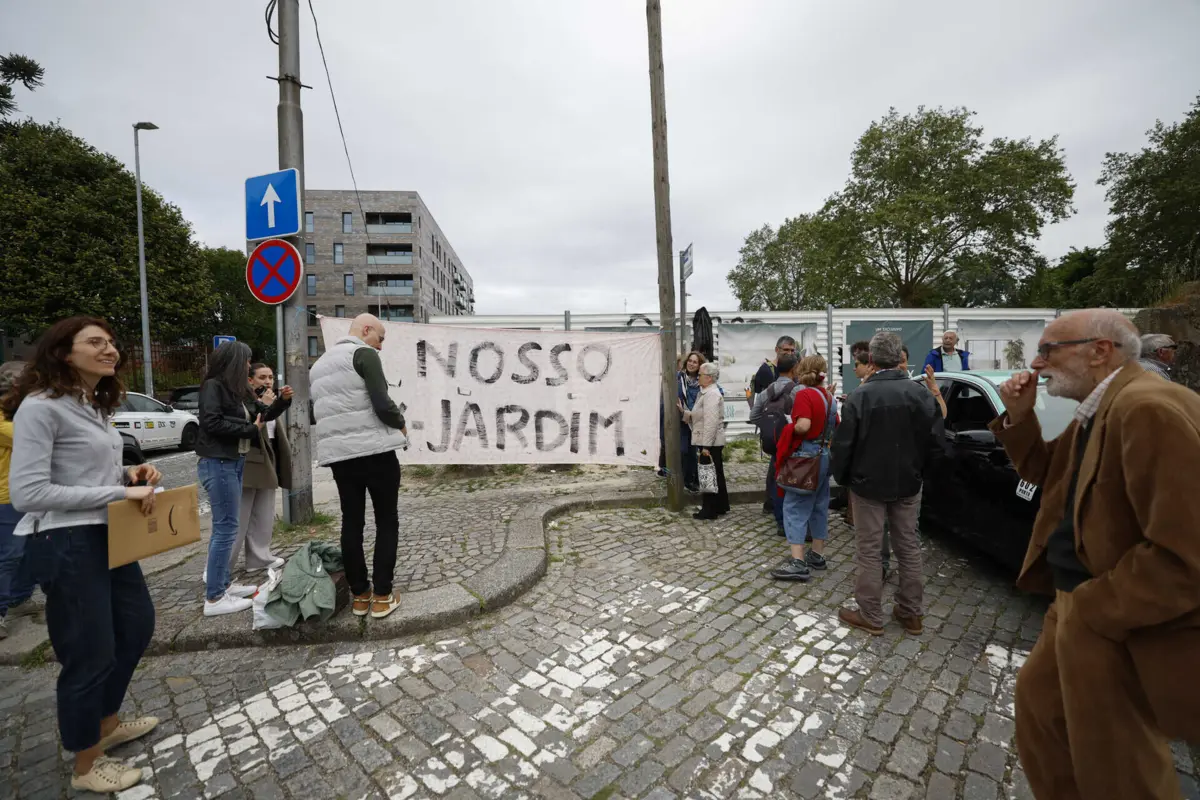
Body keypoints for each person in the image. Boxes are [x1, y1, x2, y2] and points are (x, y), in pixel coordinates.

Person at [991, 309, 1200, 800]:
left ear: (1099, 351)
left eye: (1049, 350)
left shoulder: (1146, 408)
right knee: (1042, 715)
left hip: (1110, 614)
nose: (1038, 364)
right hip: (1074, 604)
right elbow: (1046, 472)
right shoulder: (1100, 407)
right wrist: (1020, 418)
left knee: (1116, 761)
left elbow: (1184, 554)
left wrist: (1094, 609)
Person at [5, 316, 160, 793]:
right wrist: (117, 496)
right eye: (95, 342)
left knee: (136, 627)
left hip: (106, 535)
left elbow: (93, 479)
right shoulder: (41, 407)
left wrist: (132, 477)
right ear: (64, 353)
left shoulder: (93, 406)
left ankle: (106, 723)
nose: (109, 349)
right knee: (88, 652)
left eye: (111, 342)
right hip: (64, 540)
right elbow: (28, 493)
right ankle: (86, 764)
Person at [831, 332, 942, 636]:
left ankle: (871, 613)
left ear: (873, 359)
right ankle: (911, 612)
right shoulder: (919, 393)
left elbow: (843, 446)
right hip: (907, 481)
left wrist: (844, 479)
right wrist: (920, 472)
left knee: (869, 549)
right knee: (908, 546)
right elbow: (935, 441)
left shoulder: (860, 396)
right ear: (898, 359)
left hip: (868, 484)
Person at [310, 313, 408, 619]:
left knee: (351, 522)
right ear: (365, 330)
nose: (380, 347)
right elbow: (382, 402)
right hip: (375, 453)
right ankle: (382, 595)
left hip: (341, 458)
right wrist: (401, 424)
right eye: (379, 338)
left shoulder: (318, 366)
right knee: (386, 519)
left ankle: (360, 595)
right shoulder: (363, 355)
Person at [196, 342, 264, 617]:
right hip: (219, 463)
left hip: (232, 461)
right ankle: (214, 597)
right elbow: (211, 422)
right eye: (247, 360)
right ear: (236, 362)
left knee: (228, 527)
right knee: (225, 529)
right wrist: (248, 429)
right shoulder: (213, 386)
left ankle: (223, 584)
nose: (249, 365)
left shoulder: (231, 390)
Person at [770, 355, 838, 581]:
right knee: (819, 505)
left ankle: (798, 561)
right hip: (824, 455)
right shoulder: (829, 397)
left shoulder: (804, 395)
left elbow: (803, 426)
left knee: (795, 508)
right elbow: (835, 425)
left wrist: (790, 426)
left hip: (805, 458)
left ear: (802, 371)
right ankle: (817, 554)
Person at [228, 363, 293, 576]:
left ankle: (258, 558)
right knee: (240, 516)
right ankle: (222, 567)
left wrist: (280, 402)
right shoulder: (244, 401)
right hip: (250, 461)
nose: (268, 381)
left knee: (264, 513)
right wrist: (262, 405)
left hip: (269, 458)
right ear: (250, 380)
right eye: (262, 377)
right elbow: (249, 428)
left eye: (271, 377)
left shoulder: (270, 399)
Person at [0, 367, 41, 641]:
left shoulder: (22, 414)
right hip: (6, 497)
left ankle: (19, 598)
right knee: (9, 555)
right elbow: (36, 440)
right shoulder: (4, 419)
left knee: (32, 551)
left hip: (31, 493)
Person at [750, 353, 801, 535]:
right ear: (795, 369)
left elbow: (753, 416)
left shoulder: (767, 391)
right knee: (794, 483)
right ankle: (792, 521)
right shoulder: (797, 390)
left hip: (773, 444)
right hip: (793, 443)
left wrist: (770, 428)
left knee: (777, 481)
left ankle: (779, 521)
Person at [681, 362, 728, 520]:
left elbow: (711, 422)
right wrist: (684, 412)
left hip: (710, 442)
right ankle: (721, 505)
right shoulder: (706, 392)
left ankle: (709, 510)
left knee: (708, 476)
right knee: (717, 474)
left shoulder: (711, 395)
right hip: (711, 440)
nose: (698, 377)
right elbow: (700, 415)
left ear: (708, 377)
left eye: (700, 375)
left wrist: (706, 446)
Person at [677, 351, 705, 492]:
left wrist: (689, 413)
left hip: (697, 421)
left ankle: (694, 480)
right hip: (683, 422)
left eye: (695, 362)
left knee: (696, 452)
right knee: (684, 451)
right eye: (690, 361)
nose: (691, 364)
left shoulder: (702, 383)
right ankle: (685, 479)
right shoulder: (680, 378)